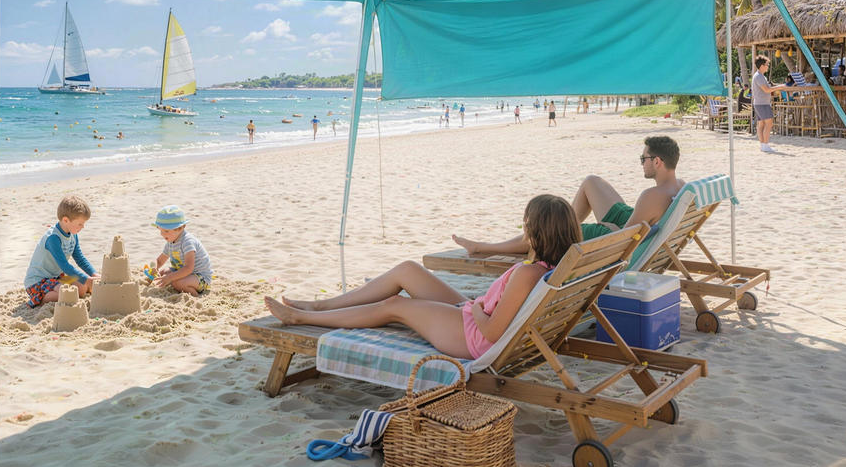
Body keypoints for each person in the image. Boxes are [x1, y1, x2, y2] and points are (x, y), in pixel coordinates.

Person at [265, 194, 580, 360]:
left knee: (394, 305)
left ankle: (300, 317)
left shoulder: (528, 273)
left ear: (535, 232)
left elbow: (494, 332)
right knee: (407, 270)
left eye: (526, 225)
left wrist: (474, 310)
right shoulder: (553, 267)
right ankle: (321, 306)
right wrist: (475, 307)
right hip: (475, 316)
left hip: (474, 336)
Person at [451, 135, 685, 257]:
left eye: (643, 159)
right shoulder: (680, 186)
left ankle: (482, 247)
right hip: (634, 223)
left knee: (547, 230)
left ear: (657, 161)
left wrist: (609, 227)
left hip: (618, 236)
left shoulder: (651, 195)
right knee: (591, 182)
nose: (641, 164)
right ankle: (567, 223)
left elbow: (626, 242)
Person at [24, 196, 97, 307]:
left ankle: (53, 292)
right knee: (67, 294)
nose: (83, 227)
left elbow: (80, 259)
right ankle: (40, 299)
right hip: (38, 281)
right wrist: (87, 279)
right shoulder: (53, 238)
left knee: (81, 289)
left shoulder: (73, 234)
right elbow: (64, 266)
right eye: (80, 224)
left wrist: (94, 274)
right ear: (66, 220)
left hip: (56, 278)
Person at [149, 206, 212, 295]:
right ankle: (179, 286)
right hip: (184, 272)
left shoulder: (187, 242)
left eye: (166, 231)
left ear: (180, 228)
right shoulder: (170, 242)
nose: (162, 234)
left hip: (200, 277)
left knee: (177, 283)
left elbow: (188, 268)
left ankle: (196, 296)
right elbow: (159, 260)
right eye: (160, 230)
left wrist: (170, 278)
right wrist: (154, 267)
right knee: (162, 272)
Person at [750, 56, 780, 153]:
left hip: (760, 103)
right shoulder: (759, 76)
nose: (768, 66)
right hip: (762, 104)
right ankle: (765, 145)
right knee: (768, 123)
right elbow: (766, 90)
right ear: (762, 66)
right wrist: (779, 87)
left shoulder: (760, 76)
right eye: (767, 65)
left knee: (761, 124)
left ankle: (763, 145)